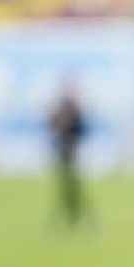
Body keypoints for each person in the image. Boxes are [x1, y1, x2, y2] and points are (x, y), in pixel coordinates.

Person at [48, 84, 87, 227]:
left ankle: (75, 215)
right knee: (66, 186)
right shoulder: (61, 109)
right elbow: (52, 126)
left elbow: (81, 130)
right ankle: (69, 215)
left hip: (72, 151)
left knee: (73, 187)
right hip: (63, 151)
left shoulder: (75, 111)